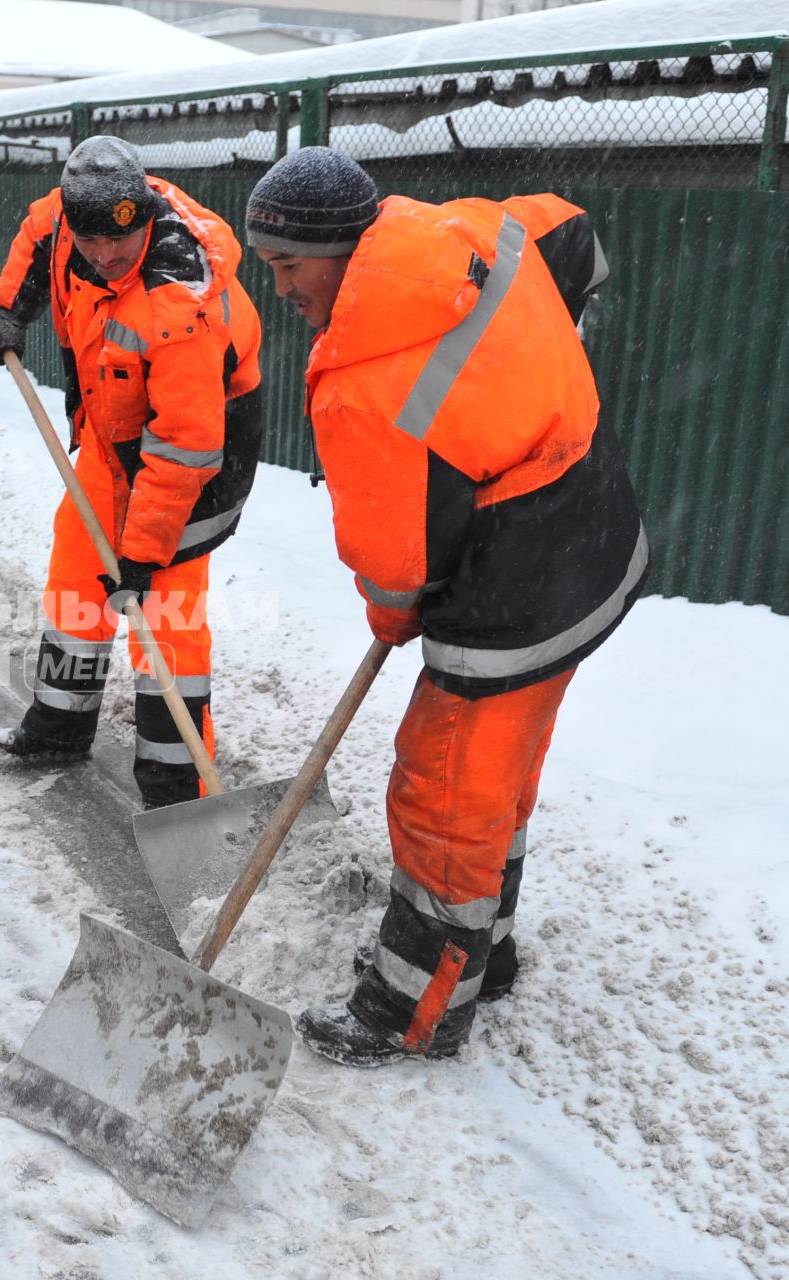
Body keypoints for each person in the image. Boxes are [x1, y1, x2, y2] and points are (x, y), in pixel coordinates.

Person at [244, 147, 647, 1065]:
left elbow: (394, 569)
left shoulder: (360, 379)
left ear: (340, 247)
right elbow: (568, 230)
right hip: (594, 531)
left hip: (517, 590)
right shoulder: (457, 226)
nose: (281, 289)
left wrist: (392, 621)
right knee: (496, 774)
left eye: (287, 266)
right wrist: (541, 367)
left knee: (444, 785)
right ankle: (481, 956)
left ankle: (411, 1006)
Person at [0, 135, 264, 811]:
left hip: (200, 460)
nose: (104, 258)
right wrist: (10, 310)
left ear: (143, 218)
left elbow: (186, 447)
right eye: (91, 244)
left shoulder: (178, 301)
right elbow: (39, 231)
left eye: (120, 246)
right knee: (78, 576)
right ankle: (59, 725)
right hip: (113, 435)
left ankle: (176, 787)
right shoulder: (68, 221)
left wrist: (142, 551)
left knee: (166, 611)